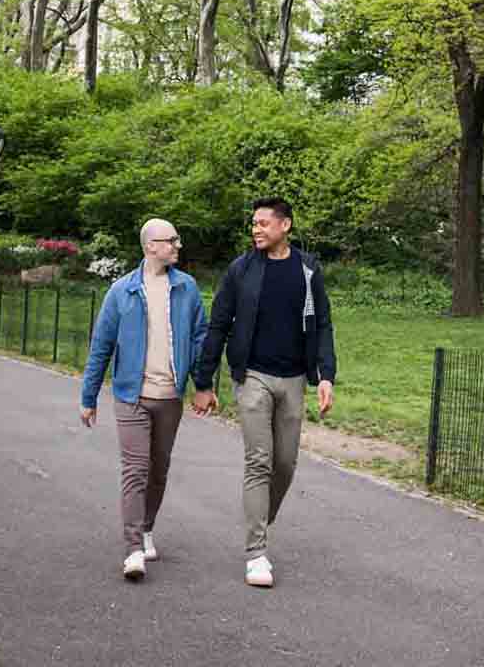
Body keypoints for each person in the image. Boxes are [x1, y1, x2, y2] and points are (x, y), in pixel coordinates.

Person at [190, 197, 335, 589]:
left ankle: (259, 518)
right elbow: (218, 325)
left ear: (285, 226)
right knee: (260, 461)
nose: (256, 229)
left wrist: (325, 375)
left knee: (285, 464)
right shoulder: (241, 270)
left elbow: (322, 323)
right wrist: (204, 382)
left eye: (264, 223)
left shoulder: (307, 270)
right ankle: (256, 553)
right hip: (252, 376)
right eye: (253, 223)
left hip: (293, 381)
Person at [80, 219, 207, 580]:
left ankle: (147, 527)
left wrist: (203, 384)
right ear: (151, 246)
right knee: (135, 470)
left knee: (158, 469)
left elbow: (200, 339)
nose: (178, 246)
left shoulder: (186, 288)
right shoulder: (121, 292)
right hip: (131, 396)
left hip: (170, 396)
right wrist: (88, 396)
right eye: (172, 241)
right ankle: (133, 548)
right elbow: (100, 347)